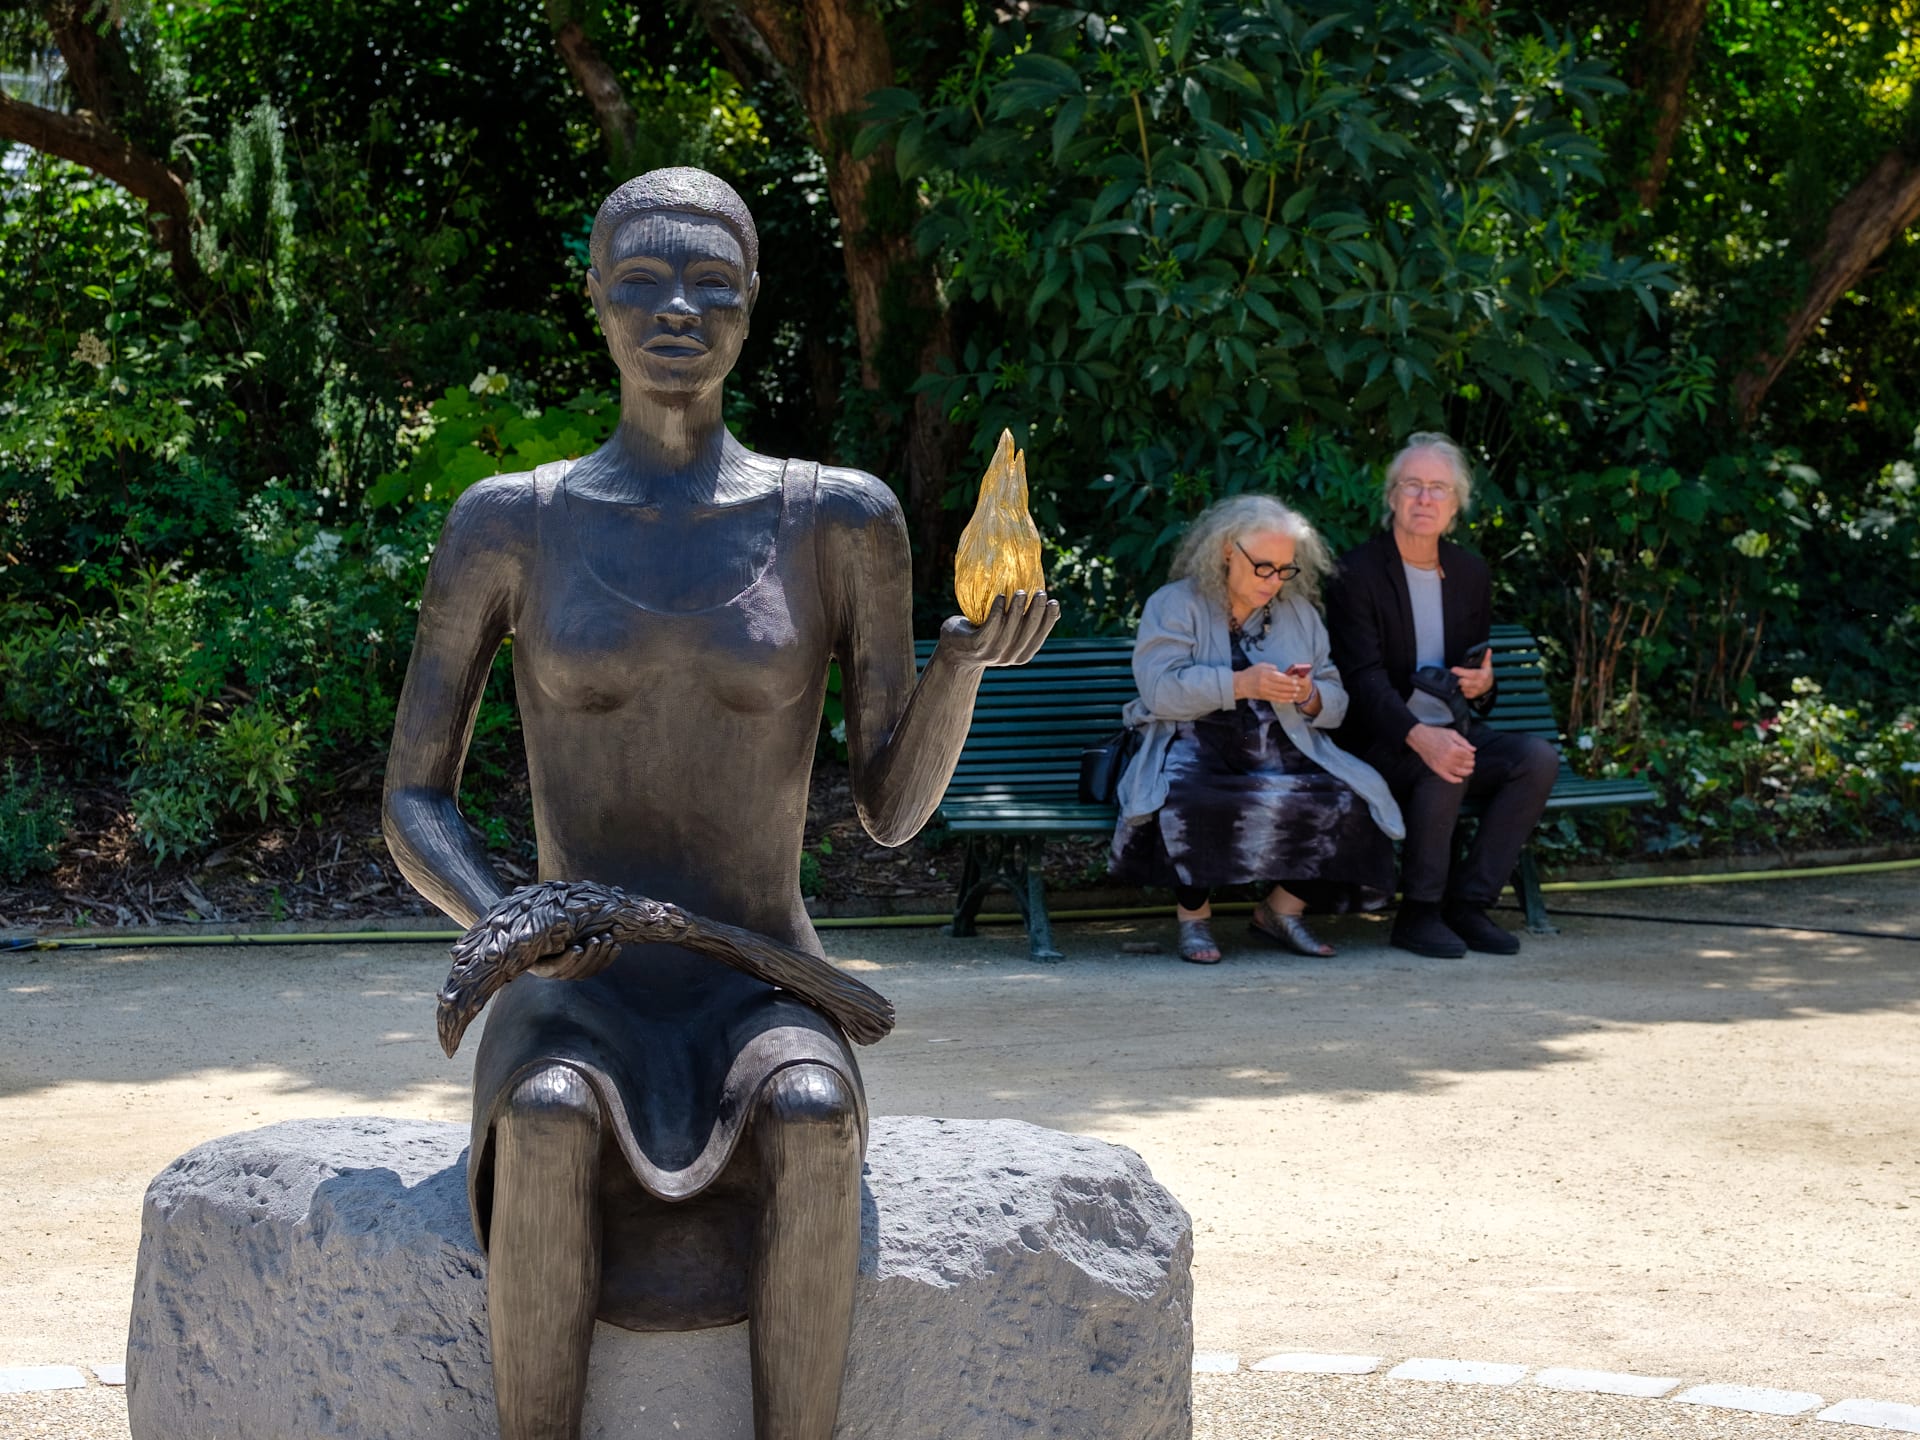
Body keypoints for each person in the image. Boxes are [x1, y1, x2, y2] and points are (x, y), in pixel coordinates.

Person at [383, 168, 1055, 1440]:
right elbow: (414, 799)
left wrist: (959, 667)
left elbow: (890, 813)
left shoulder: (838, 519)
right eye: (640, 282)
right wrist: (511, 920)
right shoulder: (510, 525)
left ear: (751, 310)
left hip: (762, 979)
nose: (676, 307)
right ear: (594, 302)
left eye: (711, 283)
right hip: (577, 985)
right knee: (542, 1118)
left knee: (808, 1113)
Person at [1109, 494, 1404, 964]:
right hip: (1191, 741)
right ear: (1228, 550)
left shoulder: (1300, 613)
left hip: (1281, 746)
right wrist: (1241, 683)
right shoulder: (1174, 604)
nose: (1273, 581)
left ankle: (1281, 911)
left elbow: (1336, 698)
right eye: (1263, 567)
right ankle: (1195, 920)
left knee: (1348, 800)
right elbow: (1159, 690)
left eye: (1285, 569)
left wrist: (1308, 697)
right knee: (1192, 798)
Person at [1324, 432, 1558, 959]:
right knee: (1443, 758)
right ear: (1391, 497)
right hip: (1378, 740)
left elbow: (1474, 672)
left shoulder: (1470, 572)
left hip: (1451, 729)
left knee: (1535, 759)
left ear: (1455, 507)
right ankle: (1419, 912)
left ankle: (1467, 904)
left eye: (1438, 489)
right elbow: (1361, 681)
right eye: (1413, 486)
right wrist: (1420, 736)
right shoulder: (1355, 574)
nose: (1424, 499)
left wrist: (1483, 685)